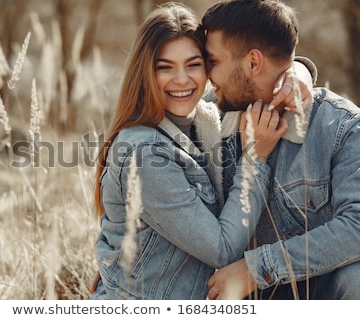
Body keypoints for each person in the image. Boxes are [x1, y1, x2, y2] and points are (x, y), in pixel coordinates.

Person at [90, 2, 313, 300]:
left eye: (194, 64)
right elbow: (221, 250)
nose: (182, 80)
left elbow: (255, 75)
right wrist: (254, 161)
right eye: (164, 68)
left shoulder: (205, 118)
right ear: (145, 73)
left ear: (209, 68)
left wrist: (298, 71)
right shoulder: (143, 152)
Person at [201, 0, 360, 300]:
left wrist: (256, 270)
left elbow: (357, 226)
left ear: (252, 63)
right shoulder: (209, 116)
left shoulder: (342, 127)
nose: (207, 75)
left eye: (213, 62)